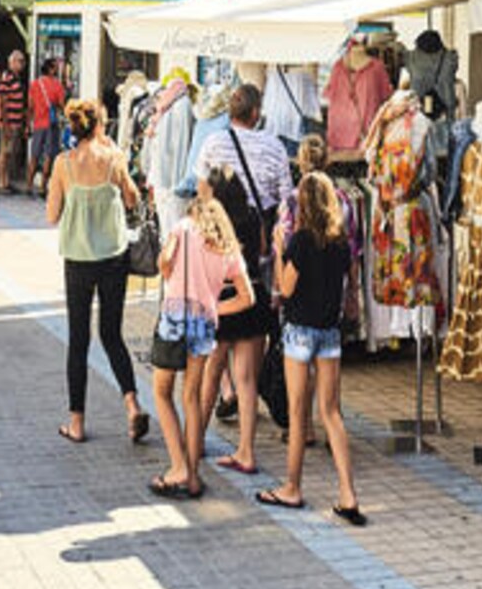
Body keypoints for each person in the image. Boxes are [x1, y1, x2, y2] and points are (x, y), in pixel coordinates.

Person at [258, 172, 365, 526]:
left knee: (298, 412)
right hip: (329, 334)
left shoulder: (301, 241)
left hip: (300, 333)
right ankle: (348, 492)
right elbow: (346, 287)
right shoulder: (339, 244)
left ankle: (292, 487)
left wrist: (277, 250)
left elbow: (285, 289)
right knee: (332, 412)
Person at [47, 99, 148, 446]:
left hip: (77, 258)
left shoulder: (64, 164)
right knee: (111, 333)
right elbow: (133, 199)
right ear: (100, 126)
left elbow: (51, 214)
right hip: (113, 257)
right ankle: (132, 404)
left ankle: (76, 422)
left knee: (78, 339)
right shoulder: (114, 159)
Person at [150, 192, 251, 499]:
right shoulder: (227, 246)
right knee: (191, 397)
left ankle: (178, 466)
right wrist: (212, 308)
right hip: (204, 324)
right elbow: (247, 297)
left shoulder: (182, 228)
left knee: (161, 392)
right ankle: (193, 477)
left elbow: (164, 263)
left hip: (174, 317)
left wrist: (170, 267)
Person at [201, 168, 273, 476]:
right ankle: (246, 450)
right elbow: (263, 250)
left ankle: (196, 438)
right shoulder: (253, 215)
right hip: (253, 296)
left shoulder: (213, 221)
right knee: (246, 381)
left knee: (212, 373)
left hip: (224, 299)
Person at [192, 83, 293, 234]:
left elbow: (202, 189)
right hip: (261, 230)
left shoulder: (213, 143)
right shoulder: (275, 146)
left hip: (223, 228)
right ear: (255, 113)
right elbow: (286, 198)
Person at [0, 51, 31, 193]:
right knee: (5, 151)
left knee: (10, 153)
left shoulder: (17, 78)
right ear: (12, 62)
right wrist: (6, 122)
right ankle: (1, 181)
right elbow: (3, 100)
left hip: (16, 121)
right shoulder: (7, 77)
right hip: (8, 122)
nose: (22, 64)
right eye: (20, 61)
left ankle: (6, 180)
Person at [29, 58, 68, 193]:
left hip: (38, 123)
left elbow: (30, 105)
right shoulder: (57, 85)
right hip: (51, 124)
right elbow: (62, 104)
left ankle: (29, 185)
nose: (57, 70)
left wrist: (29, 123)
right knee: (48, 156)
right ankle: (42, 187)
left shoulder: (35, 84)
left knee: (34, 155)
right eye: (56, 68)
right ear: (51, 69)